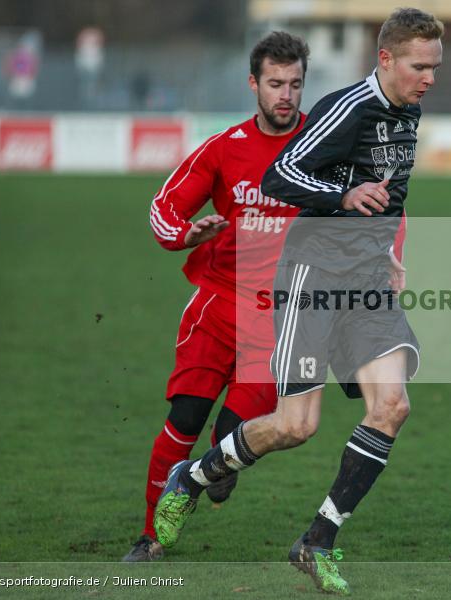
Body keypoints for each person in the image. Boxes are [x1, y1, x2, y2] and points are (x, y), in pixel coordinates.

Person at [153, 7, 443, 595]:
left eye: (435, 66)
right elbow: (280, 176)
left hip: (364, 283)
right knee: (294, 425)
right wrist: (344, 196)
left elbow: (389, 194)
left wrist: (389, 245)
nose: (429, 77)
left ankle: (317, 542)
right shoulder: (348, 108)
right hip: (312, 277)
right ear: (385, 59)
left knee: (391, 407)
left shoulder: (407, 110)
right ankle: (196, 475)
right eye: (420, 66)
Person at [123, 32, 311, 562]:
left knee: (233, 441)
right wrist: (187, 235)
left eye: (295, 84)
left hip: (279, 318)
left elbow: (370, 202)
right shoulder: (225, 148)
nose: (286, 95)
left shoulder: (322, 147)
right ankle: (151, 537)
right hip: (218, 304)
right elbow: (164, 208)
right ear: (254, 83)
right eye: (275, 83)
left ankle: (214, 470)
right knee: (184, 420)